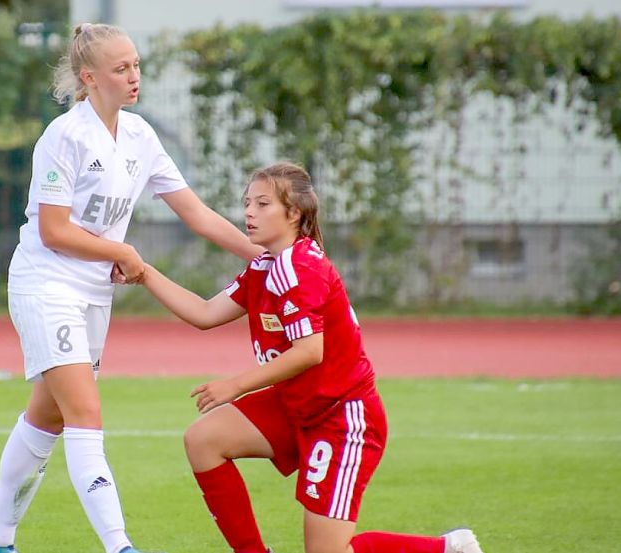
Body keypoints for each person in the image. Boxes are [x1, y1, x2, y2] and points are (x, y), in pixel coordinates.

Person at [0, 23, 262, 553]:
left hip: (93, 295)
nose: (134, 77)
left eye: (137, 65)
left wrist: (267, 258)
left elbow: (195, 214)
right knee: (85, 413)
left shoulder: (140, 136)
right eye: (121, 68)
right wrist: (122, 252)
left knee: (47, 416)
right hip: (47, 286)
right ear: (89, 77)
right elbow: (53, 230)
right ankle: (119, 546)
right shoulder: (64, 135)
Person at [136, 162, 485, 553]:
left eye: (263, 203)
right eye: (247, 202)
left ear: (294, 212)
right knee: (203, 440)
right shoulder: (266, 266)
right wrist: (144, 272)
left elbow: (308, 352)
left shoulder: (299, 267)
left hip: (342, 415)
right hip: (298, 403)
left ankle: (446, 549)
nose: (249, 212)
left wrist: (234, 385)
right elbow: (204, 313)